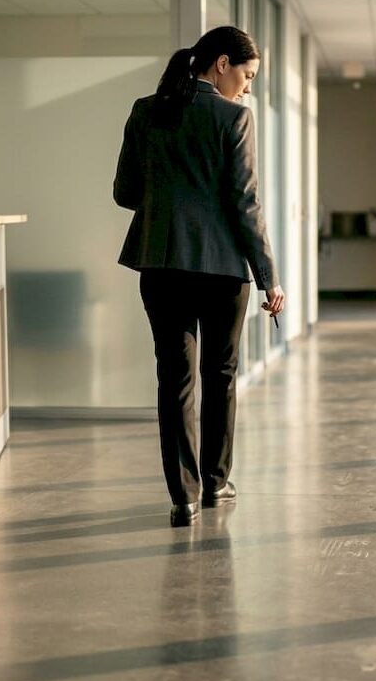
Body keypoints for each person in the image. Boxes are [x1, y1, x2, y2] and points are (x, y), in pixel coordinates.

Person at [113, 26, 284, 527]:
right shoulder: (234, 118)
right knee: (221, 375)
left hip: (162, 264)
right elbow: (245, 205)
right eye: (247, 76)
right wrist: (269, 276)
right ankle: (215, 482)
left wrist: (171, 195)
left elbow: (126, 193)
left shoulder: (147, 111)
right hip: (223, 270)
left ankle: (182, 496)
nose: (248, 87)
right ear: (223, 64)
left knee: (175, 379)